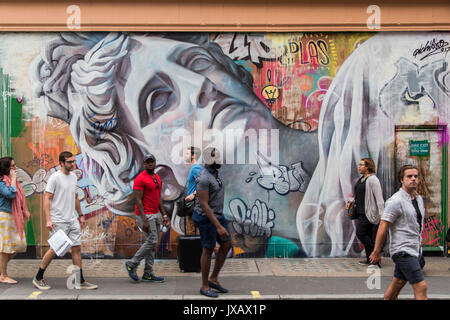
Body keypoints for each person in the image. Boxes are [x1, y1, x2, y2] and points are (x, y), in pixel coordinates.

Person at [32, 151, 98, 290]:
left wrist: (80, 215)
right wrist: (48, 220)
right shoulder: (55, 178)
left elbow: (75, 197)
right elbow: (47, 198)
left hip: (71, 219)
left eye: (74, 161)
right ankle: (38, 277)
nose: (73, 164)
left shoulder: (73, 177)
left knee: (76, 248)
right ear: (61, 163)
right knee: (55, 249)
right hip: (58, 220)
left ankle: (79, 281)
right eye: (69, 162)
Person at [370, 164, 427, 300]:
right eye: (409, 176)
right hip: (403, 251)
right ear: (402, 179)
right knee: (421, 286)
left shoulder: (418, 199)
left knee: (398, 282)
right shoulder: (395, 201)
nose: (413, 179)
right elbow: (383, 225)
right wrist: (377, 252)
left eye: (415, 176)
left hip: (415, 249)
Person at [193, 147, 232, 298]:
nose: (220, 160)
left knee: (227, 244)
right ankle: (204, 286)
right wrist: (218, 225)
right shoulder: (203, 178)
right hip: (205, 217)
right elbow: (204, 205)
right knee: (208, 249)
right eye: (217, 158)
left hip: (217, 215)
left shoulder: (215, 173)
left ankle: (213, 279)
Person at [125, 153, 170, 282]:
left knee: (151, 243)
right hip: (145, 215)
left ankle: (148, 273)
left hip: (156, 214)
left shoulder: (157, 177)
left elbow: (158, 198)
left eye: (152, 161)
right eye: (148, 162)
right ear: (144, 164)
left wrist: (164, 214)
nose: (150, 164)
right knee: (152, 241)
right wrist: (144, 219)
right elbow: (138, 200)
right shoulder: (140, 179)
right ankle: (132, 263)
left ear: (155, 163)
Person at [346, 158, 384, 266]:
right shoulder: (362, 179)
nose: (359, 167)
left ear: (368, 167)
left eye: (361, 165)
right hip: (361, 212)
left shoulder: (373, 180)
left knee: (361, 233)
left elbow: (379, 198)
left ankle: (376, 253)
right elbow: (359, 195)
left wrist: (382, 214)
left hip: (370, 213)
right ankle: (370, 259)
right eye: (359, 165)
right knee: (366, 235)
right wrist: (351, 202)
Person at [0, 157, 30, 284]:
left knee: (19, 244)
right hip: (4, 216)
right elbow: (11, 194)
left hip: (13, 216)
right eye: (12, 166)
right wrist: (12, 179)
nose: (15, 168)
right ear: (6, 168)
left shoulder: (13, 182)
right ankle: (3, 275)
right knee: (5, 247)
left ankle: (2, 270)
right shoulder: (2, 182)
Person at [184, 146, 202, 235]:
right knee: (191, 231)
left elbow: (204, 184)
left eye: (187, 154)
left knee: (192, 232)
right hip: (191, 205)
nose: (185, 156)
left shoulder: (195, 168)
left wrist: (193, 195)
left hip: (194, 205)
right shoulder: (193, 168)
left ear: (193, 156)